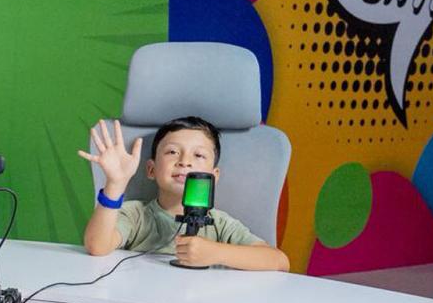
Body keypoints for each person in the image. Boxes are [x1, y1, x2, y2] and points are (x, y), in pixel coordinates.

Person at [80, 116, 289, 271]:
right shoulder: (136, 215)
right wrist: (115, 184)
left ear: (213, 177)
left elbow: (279, 262)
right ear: (151, 170)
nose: (184, 161)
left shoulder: (220, 224)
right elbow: (97, 246)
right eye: (172, 152)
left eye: (198, 155)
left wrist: (216, 252)